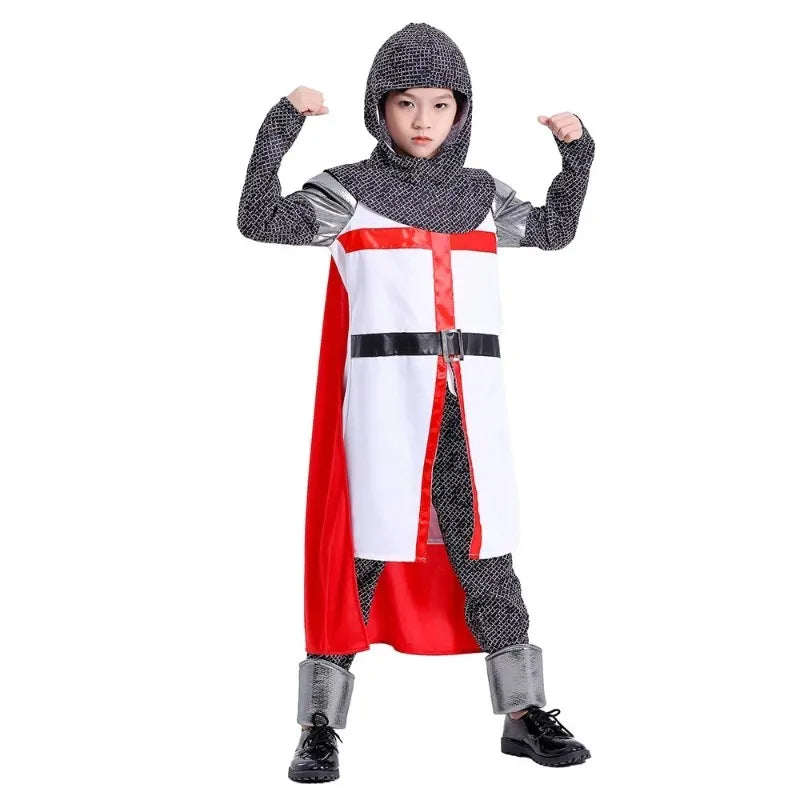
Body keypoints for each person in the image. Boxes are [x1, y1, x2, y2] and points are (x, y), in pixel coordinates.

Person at [237, 22, 596, 783]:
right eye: (406, 103)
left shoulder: (481, 196)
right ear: (380, 108)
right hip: (384, 407)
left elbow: (555, 230)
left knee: (484, 551)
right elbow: (259, 219)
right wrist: (283, 122)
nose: (424, 120)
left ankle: (524, 713)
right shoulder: (348, 194)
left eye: (440, 104)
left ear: (461, 111)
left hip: (469, 407)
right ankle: (318, 725)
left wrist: (577, 155)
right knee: (359, 553)